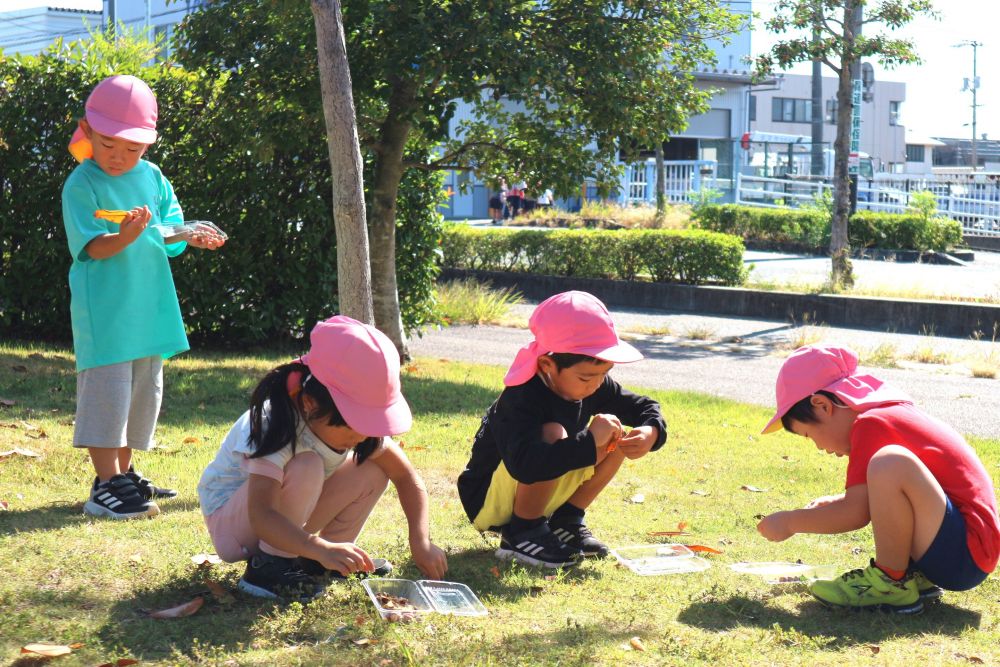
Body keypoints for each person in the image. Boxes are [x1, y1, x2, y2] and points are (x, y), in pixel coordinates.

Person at [62, 75, 225, 520]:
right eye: (109, 143)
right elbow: (93, 247)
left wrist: (190, 234)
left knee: (140, 393)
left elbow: (169, 232)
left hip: (148, 306)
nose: (118, 157)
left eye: (131, 148)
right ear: (88, 130)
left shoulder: (153, 176)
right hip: (108, 313)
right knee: (108, 394)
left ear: (148, 146)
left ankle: (125, 472)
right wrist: (126, 234)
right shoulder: (82, 183)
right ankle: (105, 485)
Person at [198, 316, 448, 600]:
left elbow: (406, 477)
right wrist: (316, 544)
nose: (362, 437)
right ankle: (268, 568)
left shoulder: (357, 430)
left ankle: (320, 561)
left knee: (374, 469)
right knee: (308, 464)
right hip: (236, 526)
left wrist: (420, 540)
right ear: (310, 403)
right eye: (353, 425)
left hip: (282, 523)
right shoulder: (276, 424)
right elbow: (261, 514)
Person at [757, 345, 999, 614]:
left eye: (808, 435)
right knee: (888, 464)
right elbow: (896, 496)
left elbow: (855, 513)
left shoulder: (871, 424)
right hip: (963, 550)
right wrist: (838, 501)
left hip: (963, 552)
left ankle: (890, 581)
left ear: (822, 406)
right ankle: (909, 575)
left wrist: (790, 521)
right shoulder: (886, 415)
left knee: (889, 462)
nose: (818, 447)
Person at [457, 291, 667, 568]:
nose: (596, 385)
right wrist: (590, 442)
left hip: (538, 482)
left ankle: (565, 521)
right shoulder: (521, 397)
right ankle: (522, 531)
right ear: (547, 364)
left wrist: (651, 430)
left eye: (604, 374)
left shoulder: (591, 383)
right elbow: (526, 466)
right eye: (586, 377)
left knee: (617, 433)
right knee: (553, 432)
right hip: (487, 500)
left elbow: (643, 406)